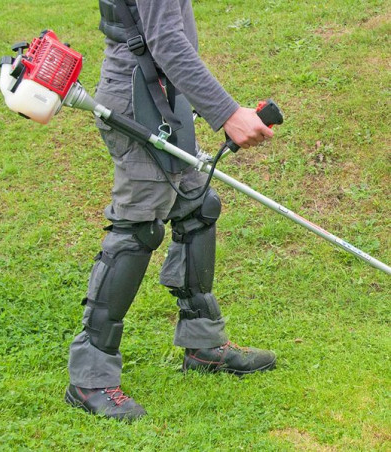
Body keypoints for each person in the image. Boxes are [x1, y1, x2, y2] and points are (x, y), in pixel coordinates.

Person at [66, 0, 276, 421]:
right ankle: (89, 379)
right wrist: (227, 113)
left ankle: (203, 346)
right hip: (136, 99)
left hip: (164, 96)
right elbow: (165, 40)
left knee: (198, 208)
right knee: (137, 229)